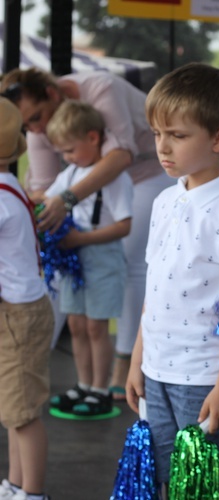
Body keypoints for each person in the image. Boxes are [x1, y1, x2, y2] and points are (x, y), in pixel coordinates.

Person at [125, 63, 219, 499]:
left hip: (204, 376)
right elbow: (155, 287)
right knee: (167, 480)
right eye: (156, 134)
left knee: (207, 486)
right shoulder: (166, 200)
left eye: (177, 136)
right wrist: (137, 359)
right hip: (157, 369)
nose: (162, 147)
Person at [0, 68, 173, 398]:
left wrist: (66, 199)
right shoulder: (42, 128)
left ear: (52, 94)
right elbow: (44, 187)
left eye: (36, 117)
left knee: (134, 258)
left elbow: (120, 155)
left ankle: (125, 362)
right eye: (27, 125)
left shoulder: (100, 88)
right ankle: (39, 359)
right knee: (71, 297)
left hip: (149, 169)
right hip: (94, 184)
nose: (35, 129)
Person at [44, 100, 133, 416]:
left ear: (93, 138)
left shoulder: (114, 177)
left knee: (97, 327)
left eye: (70, 150)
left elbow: (125, 225)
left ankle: (100, 389)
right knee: (77, 324)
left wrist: (80, 238)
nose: (66, 158)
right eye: (62, 153)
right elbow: (48, 198)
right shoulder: (71, 174)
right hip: (74, 259)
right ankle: (83, 385)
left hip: (102, 258)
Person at [0, 97, 54, 500]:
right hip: (19, 311)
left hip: (19, 316)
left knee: (22, 412)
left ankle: (31, 492)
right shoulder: (8, 184)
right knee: (13, 409)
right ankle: (16, 485)